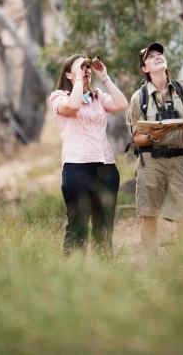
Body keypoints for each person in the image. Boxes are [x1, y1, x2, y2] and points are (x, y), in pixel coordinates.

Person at [126, 42, 183, 255]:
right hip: (150, 162)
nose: (158, 56)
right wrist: (153, 136)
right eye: (151, 56)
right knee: (149, 214)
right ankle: (152, 265)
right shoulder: (138, 98)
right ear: (145, 68)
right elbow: (136, 138)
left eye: (159, 53)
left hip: (182, 160)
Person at [49, 54, 129, 255]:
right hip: (77, 169)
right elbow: (73, 107)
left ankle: (104, 277)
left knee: (104, 229)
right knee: (78, 228)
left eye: (87, 68)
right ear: (68, 73)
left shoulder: (98, 97)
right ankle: (74, 277)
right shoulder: (59, 97)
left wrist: (105, 77)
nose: (86, 71)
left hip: (106, 168)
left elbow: (121, 105)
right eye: (80, 67)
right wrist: (77, 79)